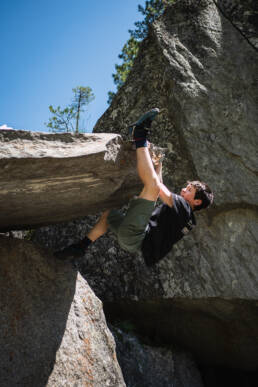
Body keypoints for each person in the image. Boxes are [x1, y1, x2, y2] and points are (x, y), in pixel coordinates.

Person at [54, 108, 214, 266]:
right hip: (133, 242)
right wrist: (159, 164)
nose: (183, 190)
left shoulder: (185, 208)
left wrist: (144, 146)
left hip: (136, 235)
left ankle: (139, 134)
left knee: (151, 187)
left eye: (189, 190)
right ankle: (81, 247)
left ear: (197, 202)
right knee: (110, 213)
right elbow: (158, 189)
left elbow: (156, 187)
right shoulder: (186, 219)